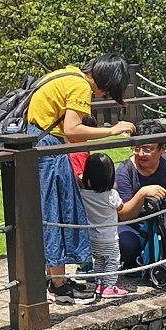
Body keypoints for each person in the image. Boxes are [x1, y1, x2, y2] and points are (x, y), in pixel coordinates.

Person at [22, 58, 139, 303]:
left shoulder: (67, 74)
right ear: (104, 81)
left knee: (53, 214)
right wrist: (111, 130)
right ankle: (58, 285)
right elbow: (72, 129)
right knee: (58, 215)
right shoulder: (81, 87)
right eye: (107, 90)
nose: (102, 95)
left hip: (38, 146)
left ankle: (56, 278)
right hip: (48, 151)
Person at [114, 133, 166, 278]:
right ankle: (136, 261)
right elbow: (125, 215)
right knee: (127, 245)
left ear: (162, 148)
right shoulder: (125, 171)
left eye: (147, 149)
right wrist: (142, 194)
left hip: (163, 221)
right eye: (137, 148)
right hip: (133, 224)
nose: (141, 154)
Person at [77, 150, 126, 300]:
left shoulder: (83, 194)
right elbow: (121, 207)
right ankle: (109, 287)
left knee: (98, 260)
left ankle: (99, 283)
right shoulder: (112, 195)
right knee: (112, 261)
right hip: (109, 238)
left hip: (92, 238)